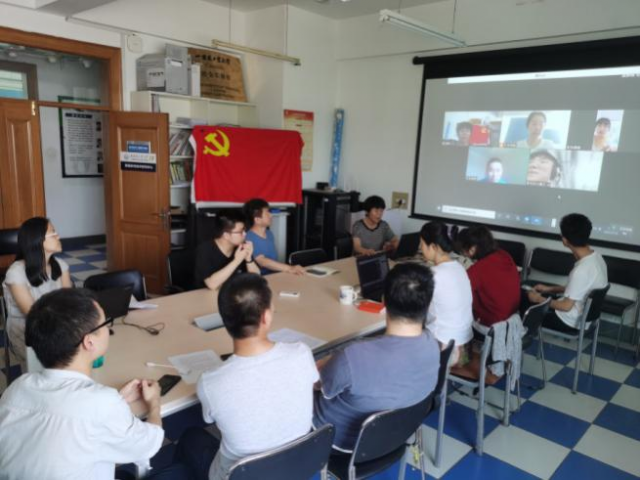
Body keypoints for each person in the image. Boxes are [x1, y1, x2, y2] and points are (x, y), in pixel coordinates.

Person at [152, 273, 319, 480]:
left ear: (224, 320)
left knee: (191, 437)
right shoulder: (301, 353)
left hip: (240, 475)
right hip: (300, 468)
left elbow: (210, 418)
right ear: (266, 317)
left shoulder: (210, 382)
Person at [0, 289, 164, 479]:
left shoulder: (17, 387)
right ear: (89, 342)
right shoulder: (101, 404)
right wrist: (154, 403)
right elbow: (148, 445)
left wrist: (118, 400)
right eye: (105, 323)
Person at [313, 263, 439, 452]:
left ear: (383, 301)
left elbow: (321, 386)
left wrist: (328, 362)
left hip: (341, 441)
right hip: (399, 435)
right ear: (428, 303)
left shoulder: (353, 356)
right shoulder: (433, 344)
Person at [2, 217, 72, 370]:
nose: (58, 236)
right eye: (53, 233)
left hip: (58, 325)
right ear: (38, 240)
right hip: (28, 330)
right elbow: (33, 314)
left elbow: (70, 302)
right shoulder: (16, 272)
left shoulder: (61, 266)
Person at [527, 213, 608, 333]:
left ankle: (521, 339)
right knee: (539, 297)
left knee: (526, 303)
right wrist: (550, 289)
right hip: (586, 319)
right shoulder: (597, 258)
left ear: (564, 240)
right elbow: (581, 289)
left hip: (569, 322)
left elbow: (565, 307)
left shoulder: (581, 270)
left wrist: (538, 299)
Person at [420, 221, 473, 366]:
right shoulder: (459, 268)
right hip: (464, 346)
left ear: (433, 247)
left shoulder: (434, 274)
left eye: (422, 244)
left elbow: (415, 306)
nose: (420, 248)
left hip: (445, 349)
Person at [457, 226, 521, 327]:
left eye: (463, 251)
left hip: (493, 324)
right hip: (513, 319)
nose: (464, 254)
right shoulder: (504, 254)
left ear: (472, 249)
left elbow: (461, 297)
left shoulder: (477, 270)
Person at [194, 209, 260, 290]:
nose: (245, 234)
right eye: (240, 231)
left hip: (233, 292)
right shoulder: (205, 250)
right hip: (205, 295)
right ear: (226, 235)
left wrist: (249, 259)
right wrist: (237, 260)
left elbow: (257, 278)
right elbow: (211, 284)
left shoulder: (241, 246)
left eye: (244, 230)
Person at [243, 198, 305, 275]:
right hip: (261, 279)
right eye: (267, 213)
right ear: (257, 219)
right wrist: (289, 268)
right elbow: (262, 261)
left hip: (275, 275)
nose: (271, 215)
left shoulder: (269, 233)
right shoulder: (249, 237)